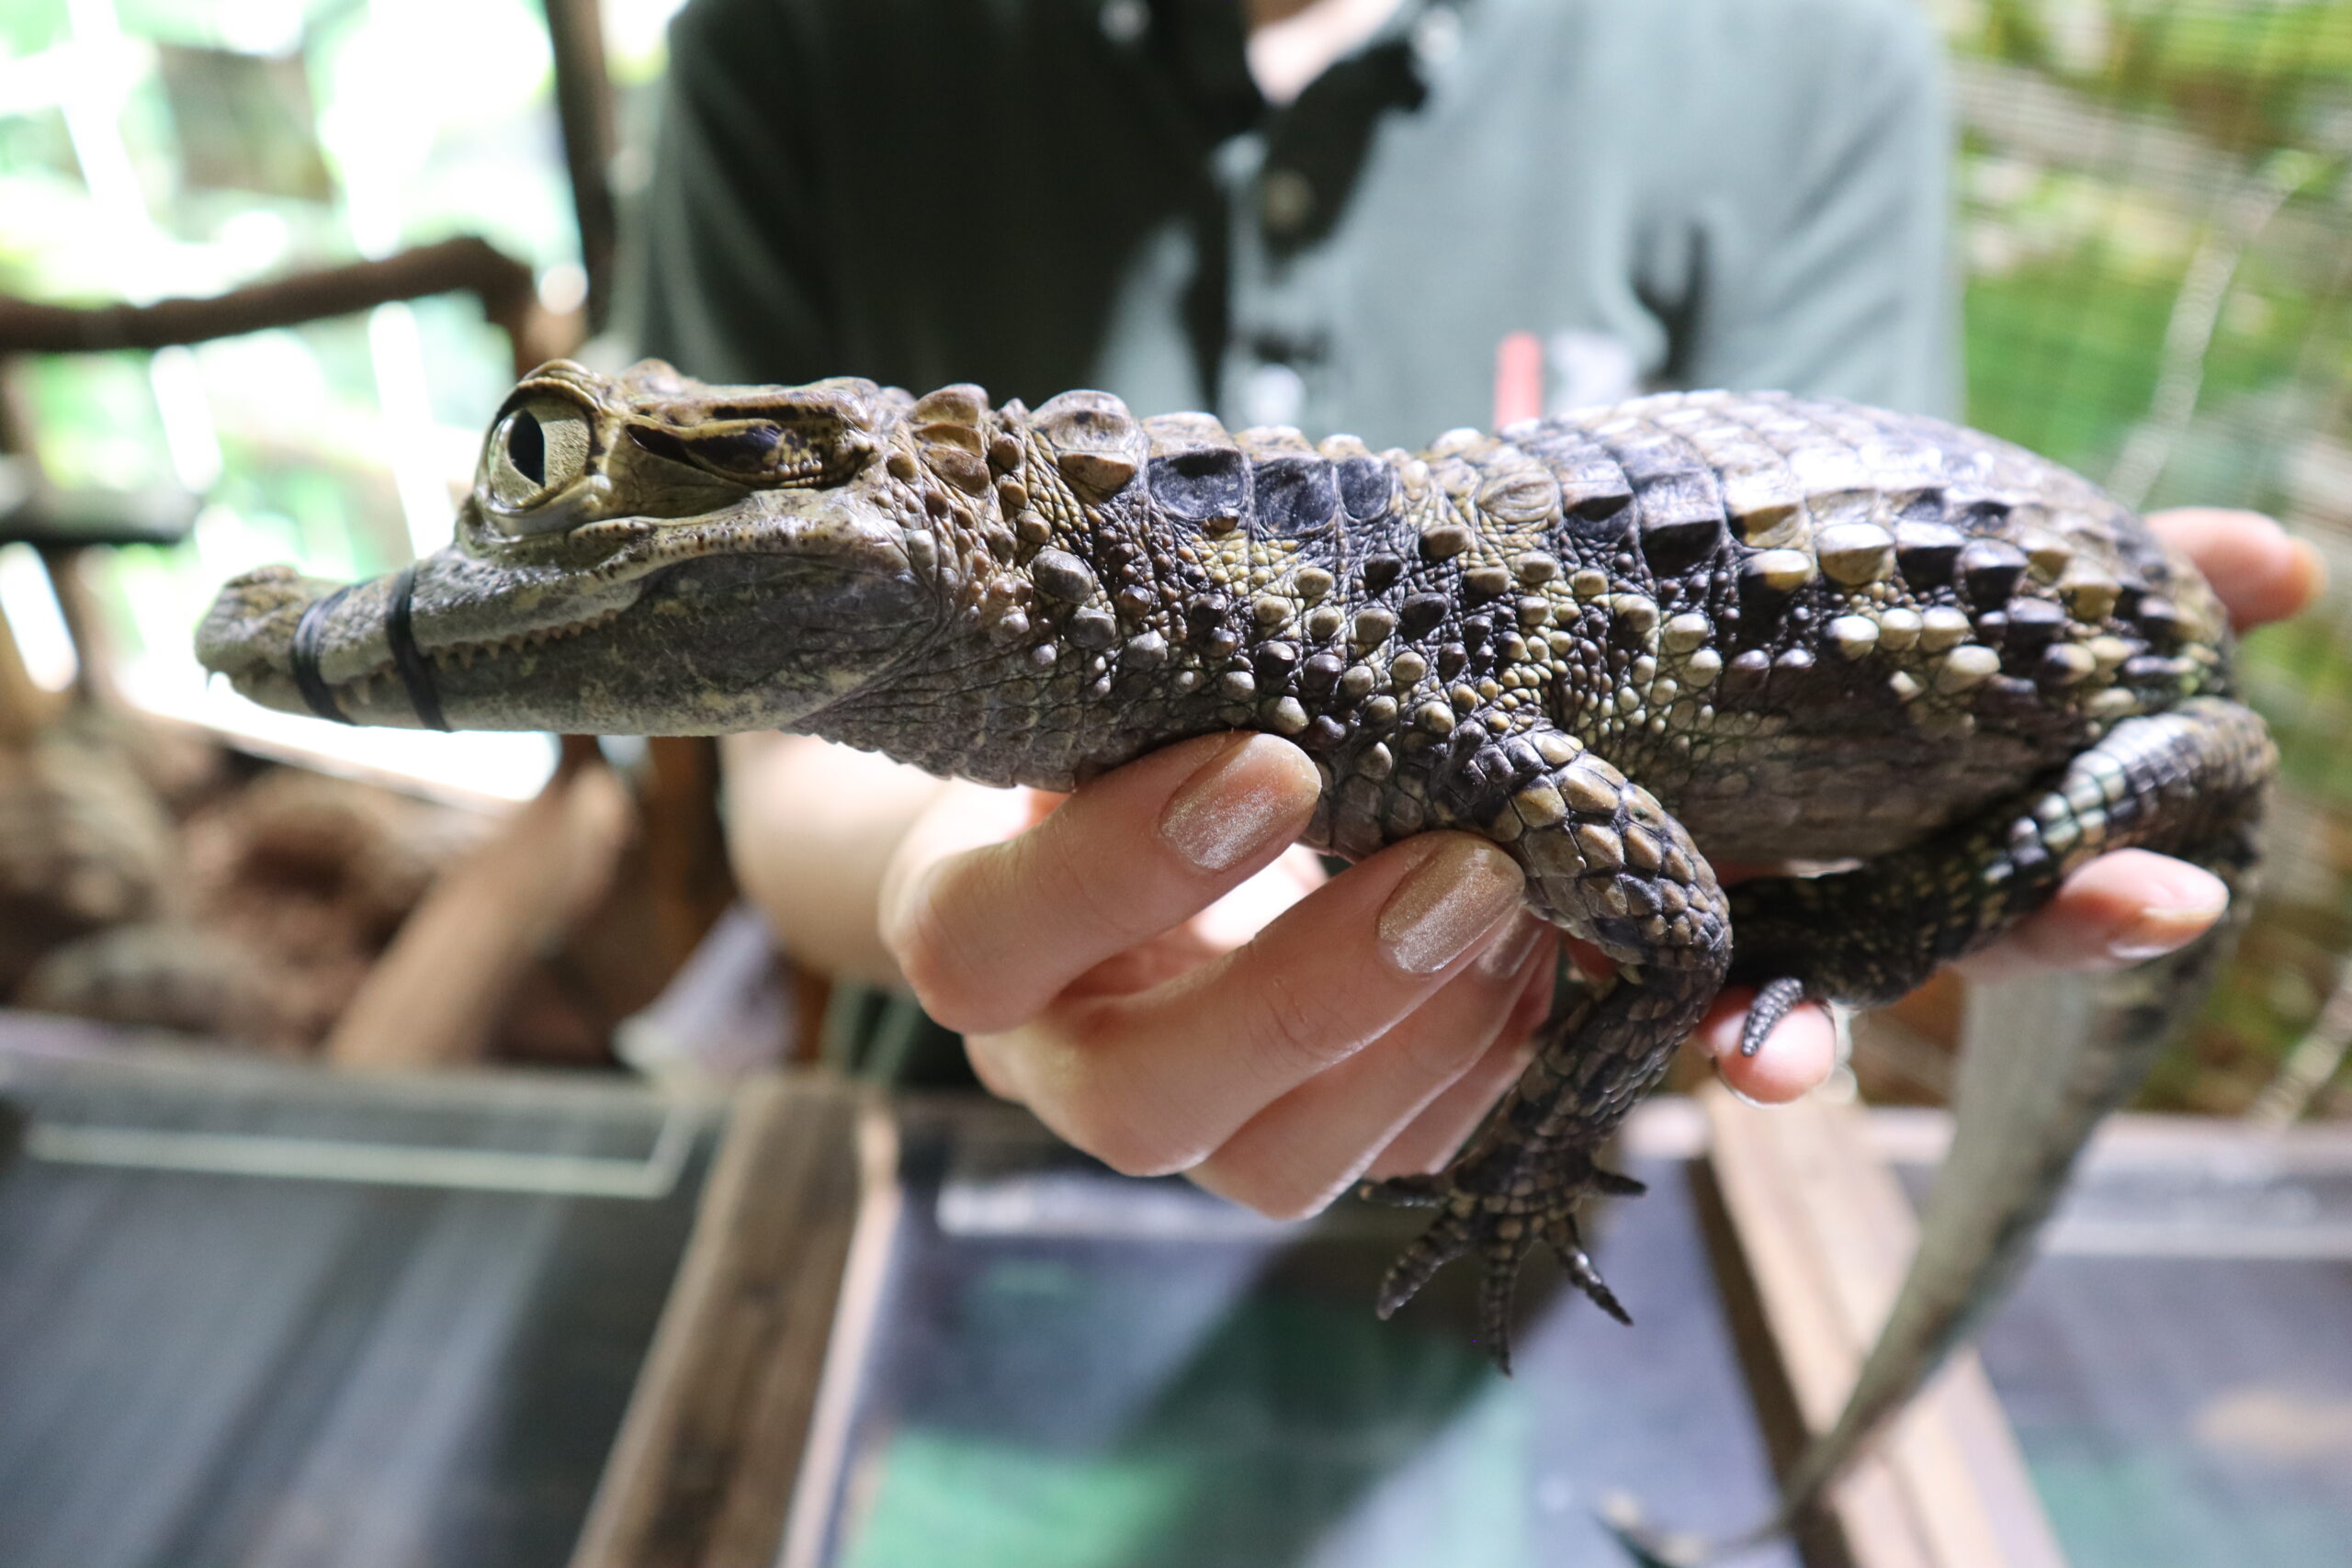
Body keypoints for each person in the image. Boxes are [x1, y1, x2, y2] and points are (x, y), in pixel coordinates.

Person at [618, 0, 2325, 1219]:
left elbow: (1686, 907)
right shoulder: (790, 42)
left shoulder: (1805, 47)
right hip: (951, 1154)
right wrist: (969, 878)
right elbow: (787, 763)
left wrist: (1870, 922)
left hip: (1598, 1137)